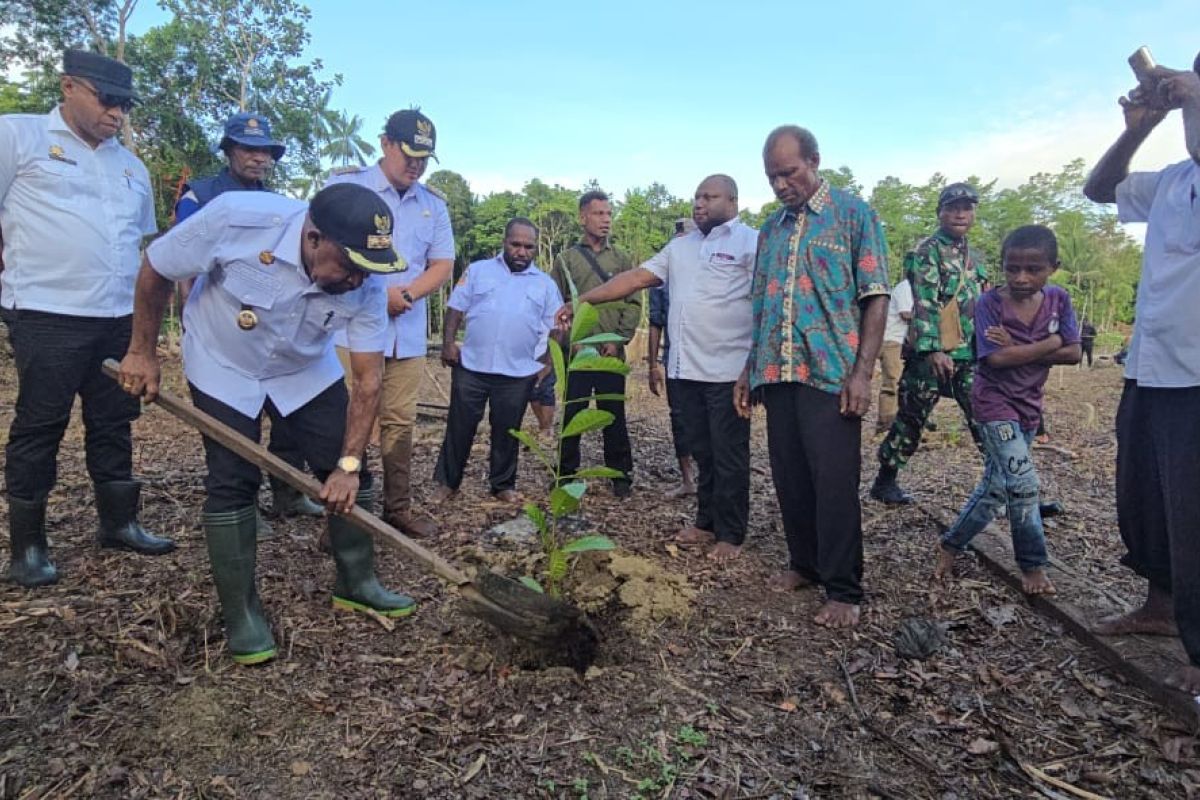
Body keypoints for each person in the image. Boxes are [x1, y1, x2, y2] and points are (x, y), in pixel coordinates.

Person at [117, 183, 415, 665]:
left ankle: (357, 582)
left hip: (302, 369)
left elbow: (367, 382)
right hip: (222, 362)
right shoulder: (238, 218)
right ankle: (242, 613)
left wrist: (349, 463)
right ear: (314, 237)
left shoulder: (368, 281)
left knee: (346, 468)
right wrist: (141, 351)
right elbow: (156, 267)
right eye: (351, 265)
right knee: (233, 480)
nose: (359, 280)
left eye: (368, 268)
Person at [0, 49, 175, 587]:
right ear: (69, 86)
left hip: (117, 317)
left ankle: (119, 523)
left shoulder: (130, 164)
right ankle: (28, 548)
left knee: (115, 422)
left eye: (124, 104)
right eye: (107, 99)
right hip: (47, 312)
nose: (117, 113)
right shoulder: (18, 136)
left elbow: (140, 244)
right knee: (40, 424)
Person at [734, 126, 890, 628]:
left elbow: (875, 295)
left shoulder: (853, 214)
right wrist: (747, 368)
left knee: (834, 481)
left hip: (831, 373)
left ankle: (844, 587)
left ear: (815, 161)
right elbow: (760, 303)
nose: (781, 184)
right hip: (778, 370)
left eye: (789, 172)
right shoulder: (771, 228)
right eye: (773, 176)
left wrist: (863, 373)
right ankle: (804, 562)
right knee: (790, 475)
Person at [556, 176, 757, 561]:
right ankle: (705, 522)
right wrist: (583, 301)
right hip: (685, 369)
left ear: (732, 200)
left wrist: (755, 363)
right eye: (696, 196)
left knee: (729, 453)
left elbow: (766, 297)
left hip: (728, 371)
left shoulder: (752, 242)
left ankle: (731, 534)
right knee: (702, 450)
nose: (699, 204)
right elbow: (633, 279)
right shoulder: (680, 248)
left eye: (709, 197)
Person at [1083, 54, 1200, 693]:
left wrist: (1190, 96)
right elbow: (1100, 191)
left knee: (1193, 509)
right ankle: (1160, 606)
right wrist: (1138, 127)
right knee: (1145, 499)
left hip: (1197, 375)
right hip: (1152, 367)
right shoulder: (1174, 178)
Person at [174, 111, 324, 524]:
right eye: (248, 150)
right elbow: (182, 261)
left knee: (288, 416)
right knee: (235, 424)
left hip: (274, 329)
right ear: (229, 150)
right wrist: (189, 313)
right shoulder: (201, 196)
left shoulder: (280, 205)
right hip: (221, 324)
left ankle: (288, 491)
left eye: (266, 152)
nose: (258, 159)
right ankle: (240, 506)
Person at [325, 109, 454, 538]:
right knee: (348, 418)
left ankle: (397, 508)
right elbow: (325, 250)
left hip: (407, 332)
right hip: (348, 327)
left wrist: (409, 295)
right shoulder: (346, 187)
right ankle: (342, 515)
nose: (415, 164)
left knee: (400, 422)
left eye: (423, 157)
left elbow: (442, 263)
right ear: (385, 143)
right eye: (409, 153)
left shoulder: (432, 204)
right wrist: (381, 296)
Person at [934, 225, 1080, 594]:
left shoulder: (1059, 300)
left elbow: (1075, 352)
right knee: (1024, 482)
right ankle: (1032, 564)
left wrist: (1020, 344)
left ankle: (951, 544)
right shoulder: (990, 304)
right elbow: (996, 359)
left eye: (1033, 270)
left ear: (1053, 267)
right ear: (1002, 265)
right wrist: (1050, 342)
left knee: (996, 489)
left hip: (1029, 405)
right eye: (1012, 268)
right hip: (993, 402)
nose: (1021, 277)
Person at [871, 183, 988, 504]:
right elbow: (923, 301)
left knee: (985, 418)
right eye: (953, 207)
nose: (961, 213)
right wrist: (933, 348)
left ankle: (1012, 489)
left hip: (969, 354)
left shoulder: (973, 255)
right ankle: (885, 480)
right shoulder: (926, 251)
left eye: (967, 207)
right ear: (940, 213)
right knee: (911, 418)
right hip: (930, 356)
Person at [433, 218, 561, 503]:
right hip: (472, 366)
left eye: (528, 247)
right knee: (459, 426)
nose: (521, 251)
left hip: (518, 371)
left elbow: (557, 325)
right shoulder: (478, 271)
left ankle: (502, 484)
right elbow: (456, 308)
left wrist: (548, 361)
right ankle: (446, 483)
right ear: (504, 242)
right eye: (516, 244)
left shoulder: (545, 284)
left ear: (536, 249)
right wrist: (448, 342)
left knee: (507, 429)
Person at [553, 191, 640, 497]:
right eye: (599, 214)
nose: (606, 220)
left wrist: (618, 340)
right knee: (573, 414)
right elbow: (557, 305)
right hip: (577, 354)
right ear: (583, 217)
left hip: (610, 352)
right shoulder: (566, 260)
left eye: (609, 214)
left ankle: (620, 475)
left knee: (613, 414)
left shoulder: (622, 259)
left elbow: (633, 303)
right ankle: (565, 475)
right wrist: (570, 342)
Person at [648, 218, 697, 498]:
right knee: (679, 417)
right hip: (675, 358)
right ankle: (688, 479)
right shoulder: (661, 280)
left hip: (709, 359)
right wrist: (652, 364)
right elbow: (655, 322)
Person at [876, 278, 913, 433]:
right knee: (893, 383)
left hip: (899, 341)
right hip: (891, 340)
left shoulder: (914, 287)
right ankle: (886, 424)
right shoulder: (905, 287)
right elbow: (905, 314)